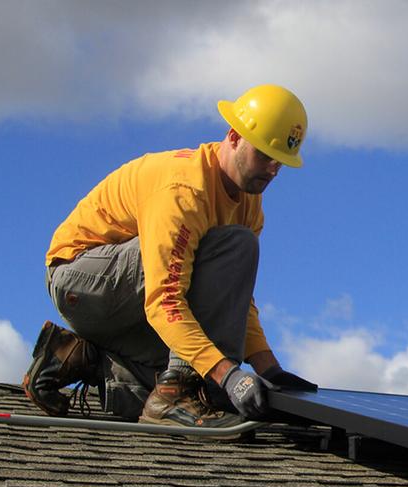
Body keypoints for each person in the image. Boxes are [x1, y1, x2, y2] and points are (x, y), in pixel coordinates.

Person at [23, 84, 317, 428]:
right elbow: (165, 300)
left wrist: (269, 369)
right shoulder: (185, 190)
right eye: (265, 155)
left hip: (130, 297)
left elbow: (236, 298)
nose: (272, 170)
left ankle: (75, 358)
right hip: (81, 281)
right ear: (234, 137)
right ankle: (176, 395)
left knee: (196, 381)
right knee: (207, 365)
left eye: (280, 162)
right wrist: (227, 374)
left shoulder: (249, 202)